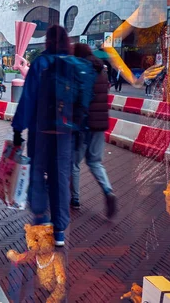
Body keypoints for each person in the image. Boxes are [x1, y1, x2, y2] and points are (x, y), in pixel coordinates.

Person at [12, 25, 94, 247]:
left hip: (41, 131)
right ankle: (59, 231)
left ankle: (40, 217)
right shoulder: (74, 65)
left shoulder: (41, 63)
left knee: (38, 174)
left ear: (47, 41)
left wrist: (18, 128)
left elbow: (28, 98)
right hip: (65, 134)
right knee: (60, 178)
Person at [71, 43, 117, 218]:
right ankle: (108, 190)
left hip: (84, 124)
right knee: (95, 162)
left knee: (74, 163)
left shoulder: (81, 69)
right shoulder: (102, 70)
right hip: (100, 123)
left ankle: (74, 199)